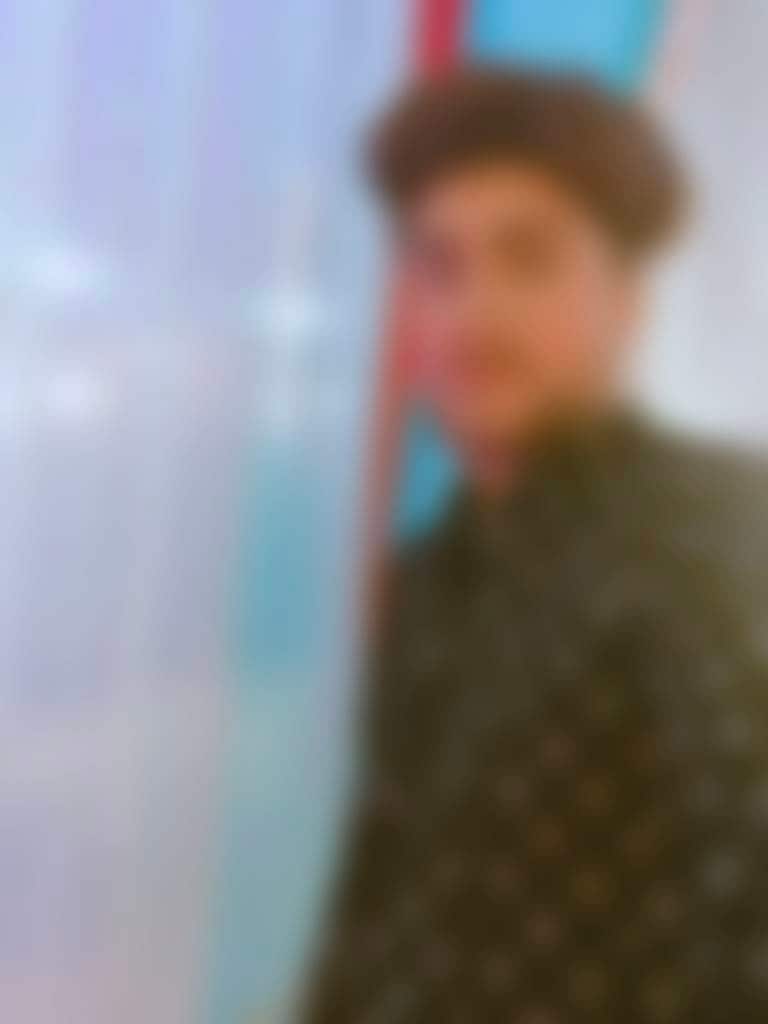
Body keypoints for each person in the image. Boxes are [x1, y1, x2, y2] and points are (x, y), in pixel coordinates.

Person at [301, 67, 768, 1023]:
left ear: (627, 298)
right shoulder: (432, 571)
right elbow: (378, 902)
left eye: (529, 257)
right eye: (438, 265)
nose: (473, 312)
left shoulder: (715, 535)